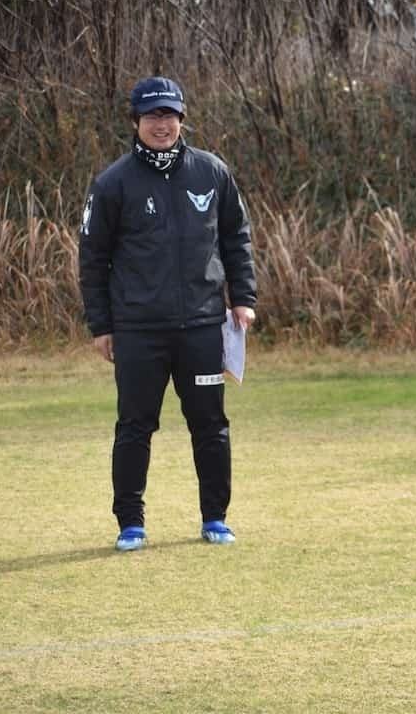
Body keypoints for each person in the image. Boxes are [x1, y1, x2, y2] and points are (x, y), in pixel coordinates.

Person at [79, 76, 257, 552]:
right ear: (136, 121)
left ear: (182, 119)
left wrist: (243, 298)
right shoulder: (113, 183)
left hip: (202, 325)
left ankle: (215, 517)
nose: (163, 124)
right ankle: (130, 524)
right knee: (135, 426)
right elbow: (93, 258)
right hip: (138, 329)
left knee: (211, 425)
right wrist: (102, 326)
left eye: (170, 114)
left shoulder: (211, 172)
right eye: (153, 115)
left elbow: (236, 237)